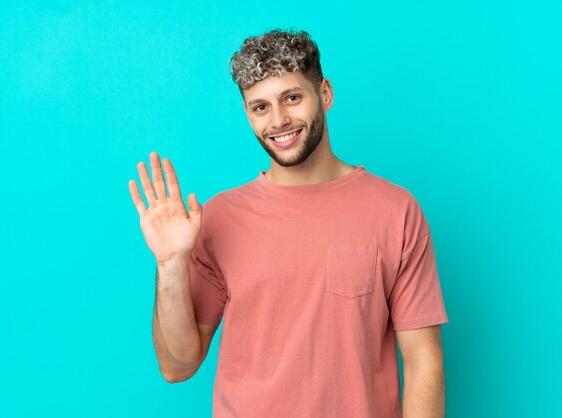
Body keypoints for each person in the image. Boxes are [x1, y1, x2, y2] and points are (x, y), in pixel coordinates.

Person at [129, 28, 449, 418]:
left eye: (292, 98)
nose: (278, 121)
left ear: (325, 94)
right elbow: (177, 366)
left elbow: (423, 363)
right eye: (260, 107)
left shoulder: (395, 211)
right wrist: (171, 263)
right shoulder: (219, 218)